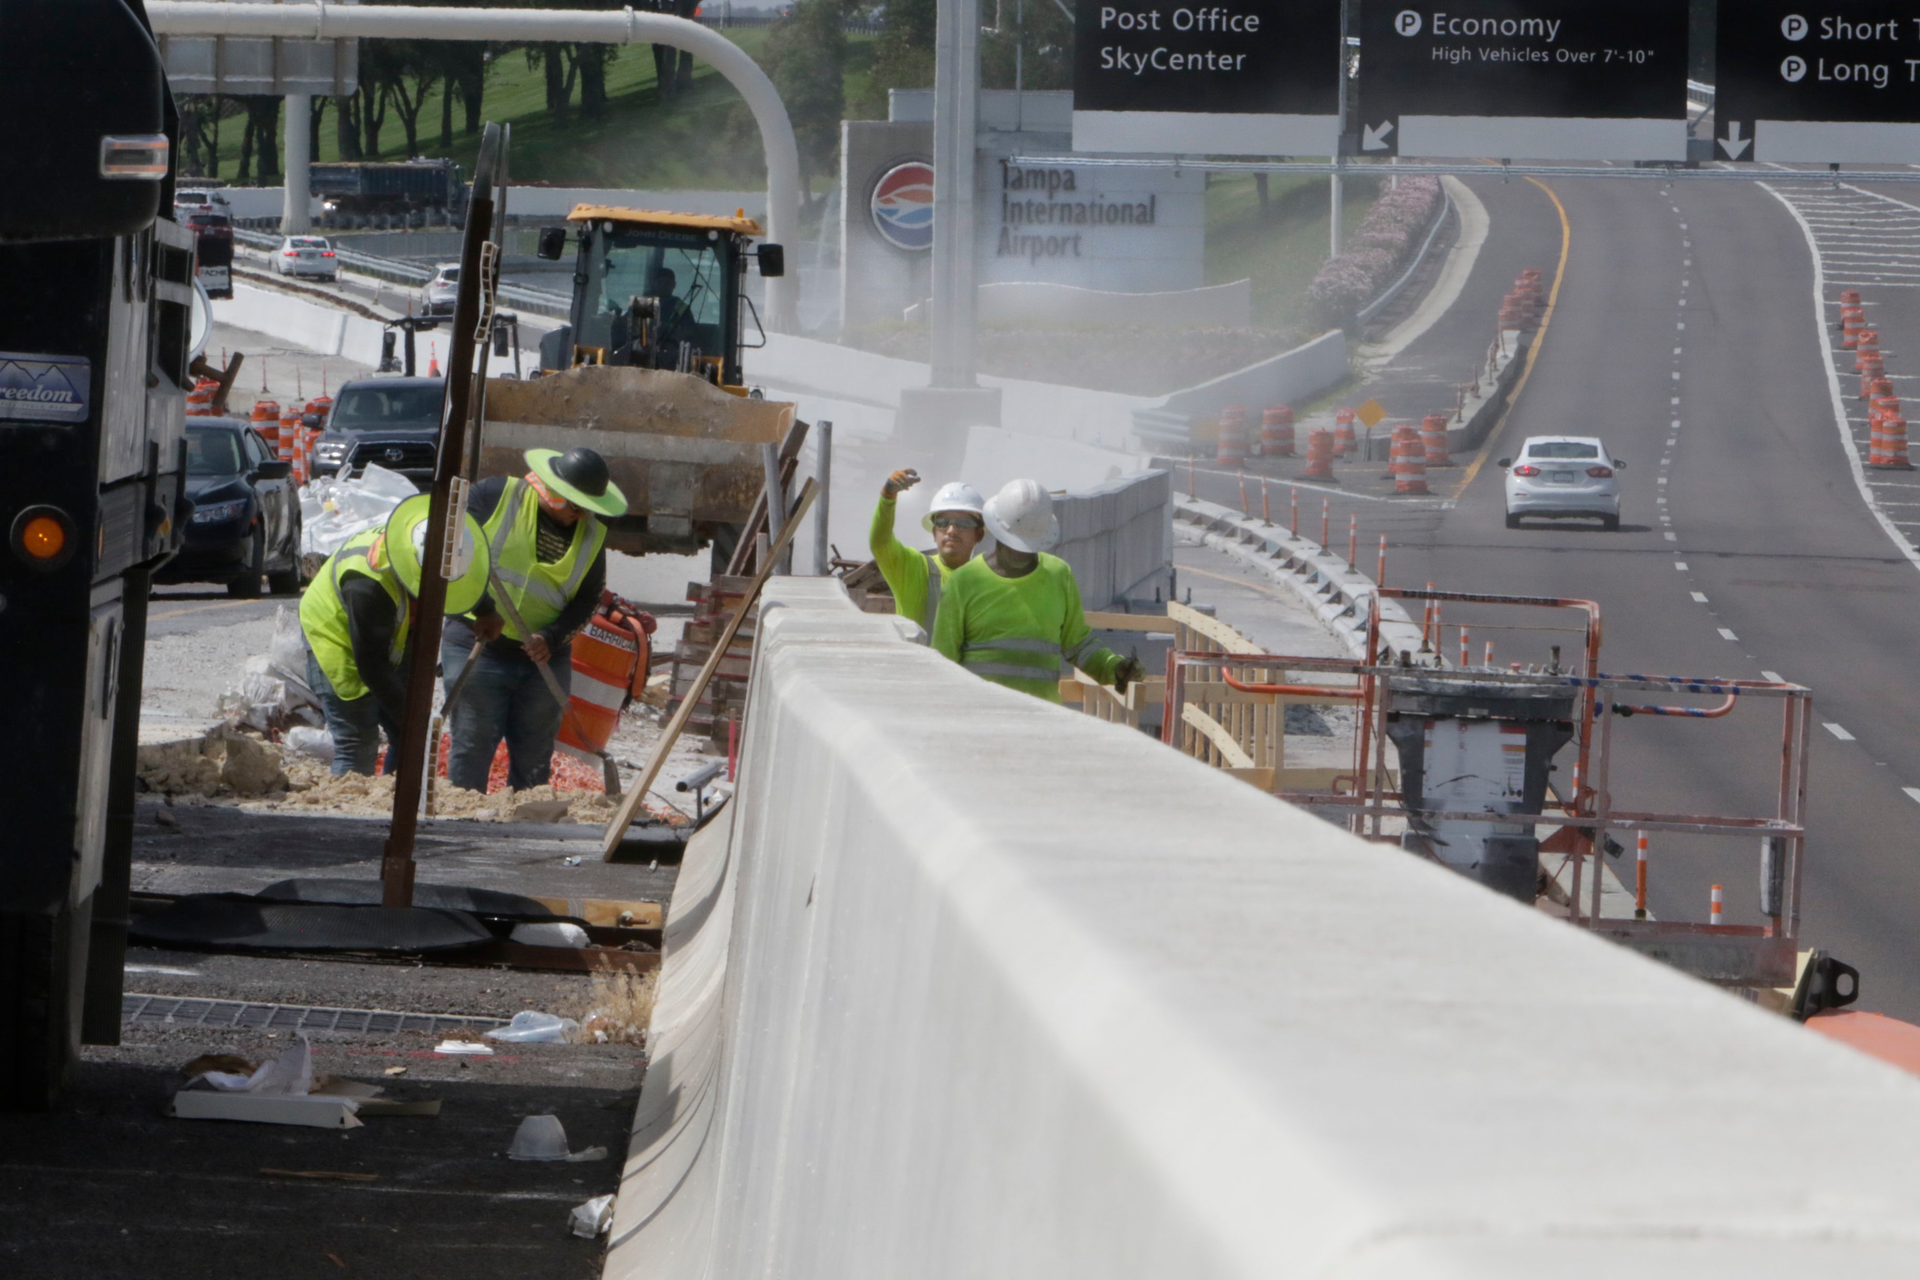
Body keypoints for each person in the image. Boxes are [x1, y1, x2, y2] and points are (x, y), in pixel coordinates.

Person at [441, 446, 629, 794]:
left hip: (542, 659)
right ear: (552, 491)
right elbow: (451, 553)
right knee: (472, 745)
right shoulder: (496, 496)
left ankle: (524, 827)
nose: (581, 517)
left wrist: (552, 637)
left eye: (588, 510)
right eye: (575, 507)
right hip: (478, 646)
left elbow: (589, 599)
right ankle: (462, 824)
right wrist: (481, 609)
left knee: (535, 759)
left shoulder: (591, 535)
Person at [299, 494, 496, 777]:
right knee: (358, 741)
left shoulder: (440, 544)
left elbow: (460, 578)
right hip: (335, 633)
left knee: (409, 735)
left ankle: (393, 807)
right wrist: (413, 719)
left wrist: (485, 609)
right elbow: (372, 666)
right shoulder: (369, 583)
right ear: (414, 567)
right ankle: (350, 814)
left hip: (387, 631)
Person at [932, 478, 1144, 704]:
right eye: (1015, 546)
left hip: (1041, 721)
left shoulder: (1058, 575)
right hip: (982, 719)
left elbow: (1078, 646)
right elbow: (942, 663)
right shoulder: (963, 582)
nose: (1021, 554)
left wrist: (1113, 668)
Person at [868, 468, 987, 632]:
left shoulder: (987, 581)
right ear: (934, 532)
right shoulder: (914, 568)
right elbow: (880, 543)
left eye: (963, 524)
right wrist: (888, 497)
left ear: (979, 534)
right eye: (943, 523)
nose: (951, 531)